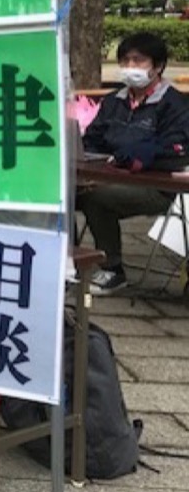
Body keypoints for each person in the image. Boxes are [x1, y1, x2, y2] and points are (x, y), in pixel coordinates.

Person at [78, 32, 189, 295]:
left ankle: (113, 270)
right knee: (66, 194)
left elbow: (177, 148)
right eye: (125, 61)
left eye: (138, 61)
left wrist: (140, 155)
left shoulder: (174, 104)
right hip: (109, 177)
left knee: (96, 198)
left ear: (158, 66)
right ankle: (70, 261)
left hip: (156, 188)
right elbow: (93, 139)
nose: (130, 67)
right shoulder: (113, 101)